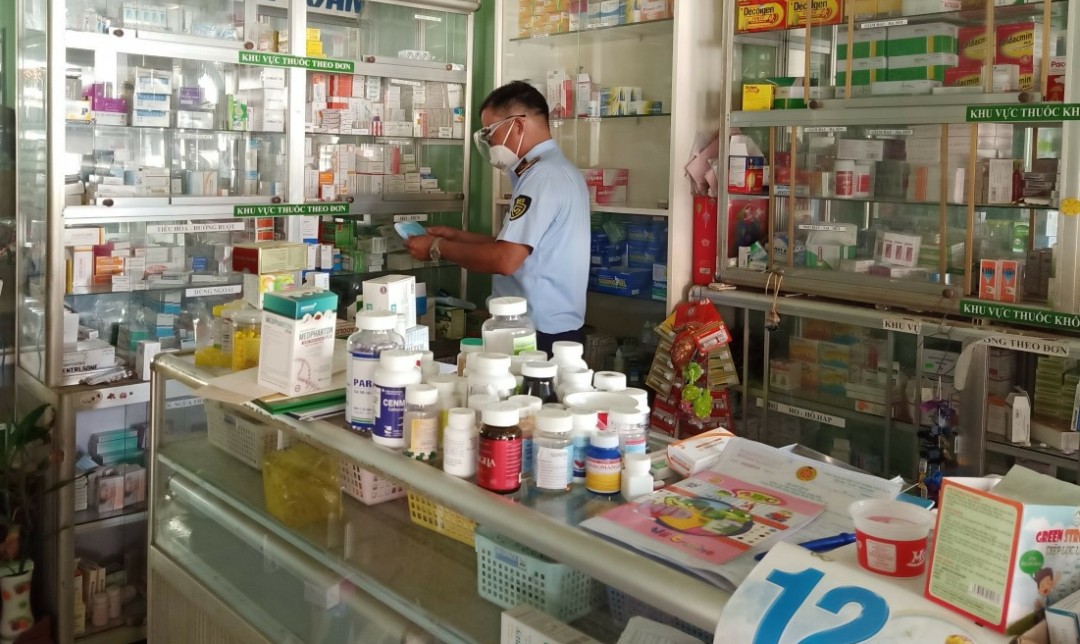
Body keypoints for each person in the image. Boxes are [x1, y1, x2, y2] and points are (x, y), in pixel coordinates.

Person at [404, 81, 590, 355]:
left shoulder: (541, 177)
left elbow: (505, 259)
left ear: (518, 126)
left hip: (536, 331)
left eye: (490, 132)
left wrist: (436, 248)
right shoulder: (556, 170)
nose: (490, 142)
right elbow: (522, 247)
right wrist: (457, 237)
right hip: (551, 327)